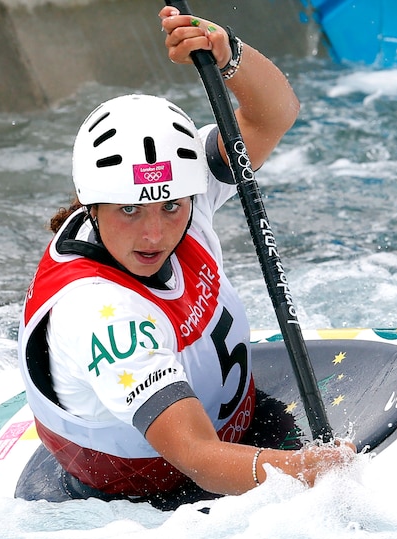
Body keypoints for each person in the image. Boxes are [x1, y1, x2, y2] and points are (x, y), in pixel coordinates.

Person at [18, 6, 354, 503]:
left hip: (243, 431)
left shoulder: (183, 187)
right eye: (130, 210)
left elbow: (274, 115)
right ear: (93, 204)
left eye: (170, 207)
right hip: (153, 499)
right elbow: (199, 457)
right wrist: (321, 472)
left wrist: (228, 54)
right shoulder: (98, 314)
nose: (155, 233)